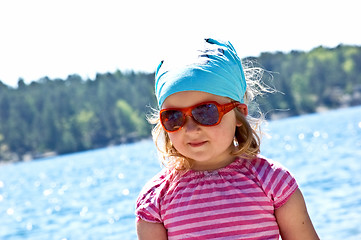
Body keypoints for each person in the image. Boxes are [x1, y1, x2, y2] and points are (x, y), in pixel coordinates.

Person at [135, 38, 319, 240]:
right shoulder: (155, 201)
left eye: (206, 112)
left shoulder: (272, 182)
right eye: (174, 117)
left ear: (239, 113)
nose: (191, 129)